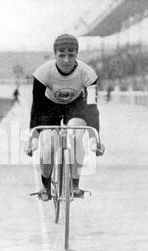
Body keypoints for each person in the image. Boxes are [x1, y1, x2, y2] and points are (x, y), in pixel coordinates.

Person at [26, 34, 105, 201]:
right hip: (48, 107)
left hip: (75, 106)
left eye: (71, 55)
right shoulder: (42, 73)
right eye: (61, 55)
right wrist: (33, 137)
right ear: (55, 54)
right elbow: (37, 107)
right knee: (49, 145)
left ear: (77, 54)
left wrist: (94, 139)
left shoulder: (88, 74)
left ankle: (75, 184)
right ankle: (46, 186)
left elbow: (92, 108)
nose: (67, 60)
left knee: (76, 136)